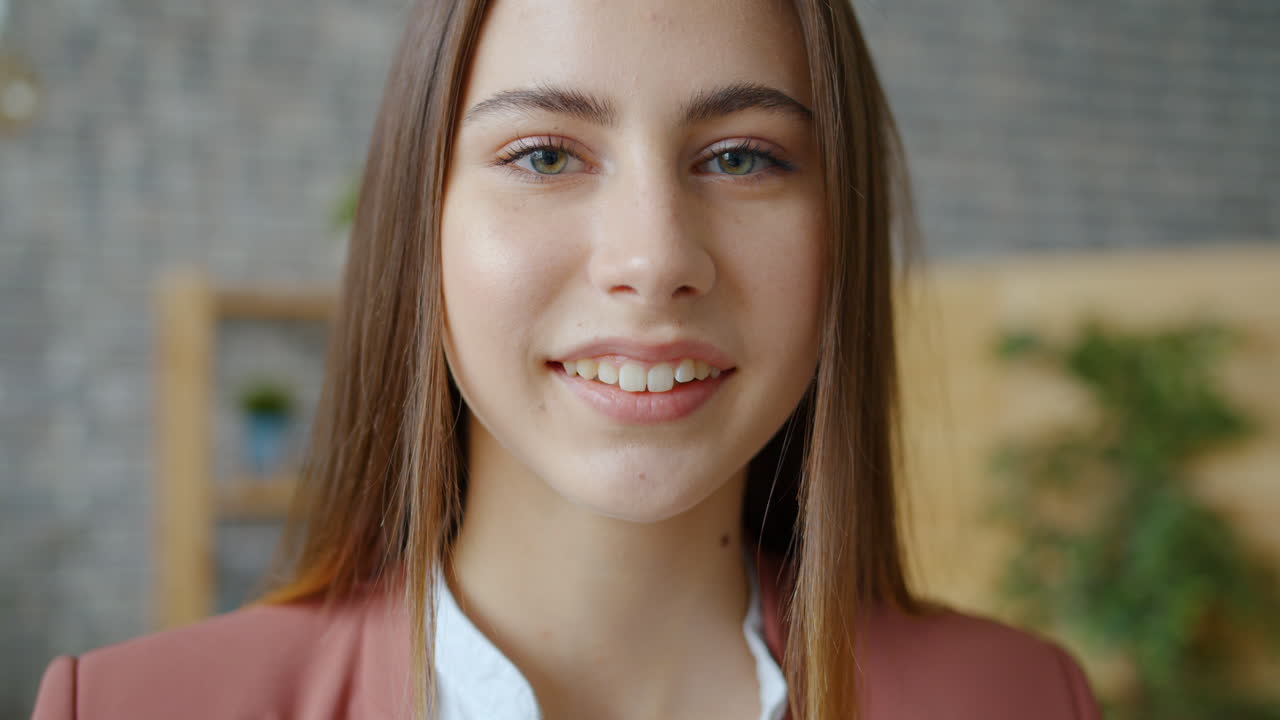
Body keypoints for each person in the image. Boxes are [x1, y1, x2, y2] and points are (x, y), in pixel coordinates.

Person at [31, 1, 1102, 718]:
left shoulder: (1019, 697)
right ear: (423, 225)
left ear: (841, 229)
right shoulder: (125, 708)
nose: (652, 258)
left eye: (739, 157)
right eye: (542, 154)